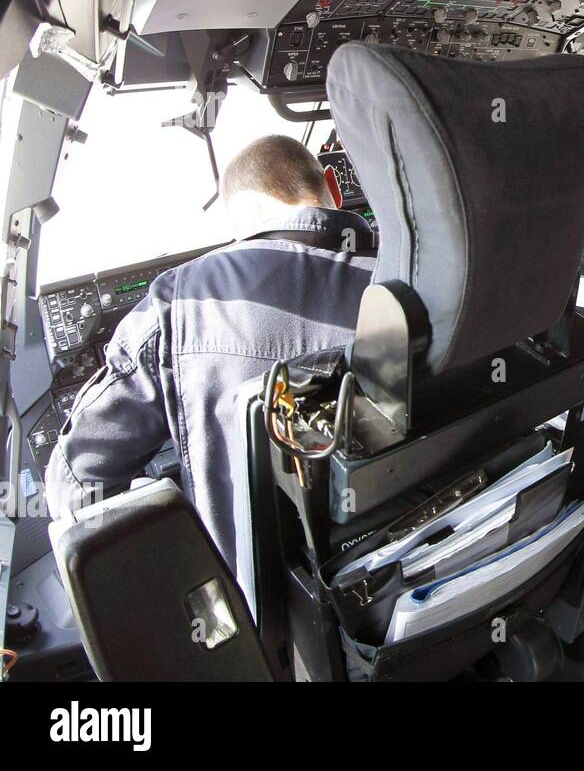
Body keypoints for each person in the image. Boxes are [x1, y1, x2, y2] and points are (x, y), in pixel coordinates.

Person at [44, 135, 376, 577]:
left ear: (236, 222)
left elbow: (76, 483)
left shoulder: (177, 305)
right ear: (332, 187)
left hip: (263, 622)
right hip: (407, 569)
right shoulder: (408, 270)